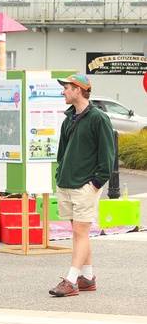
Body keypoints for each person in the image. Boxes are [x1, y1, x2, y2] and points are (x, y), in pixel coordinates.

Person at [49, 74, 115, 297]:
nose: (63, 92)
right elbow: (62, 152)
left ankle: (71, 280)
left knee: (80, 232)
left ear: (78, 90)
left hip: (86, 185)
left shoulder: (98, 118)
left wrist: (97, 181)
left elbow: (107, 153)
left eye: (66, 88)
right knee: (79, 233)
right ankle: (87, 277)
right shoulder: (69, 119)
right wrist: (61, 173)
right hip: (67, 182)